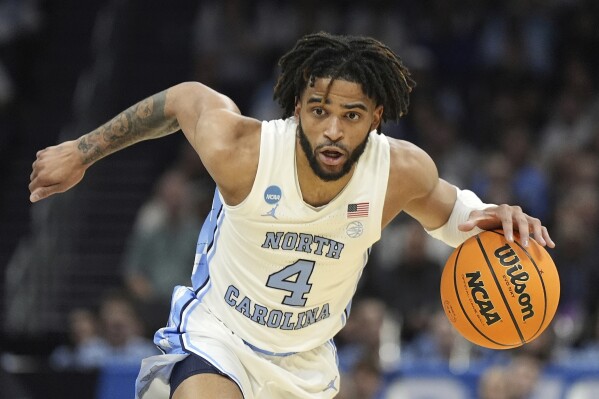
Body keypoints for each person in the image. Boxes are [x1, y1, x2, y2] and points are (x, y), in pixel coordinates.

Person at [28, 32, 555, 399]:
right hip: (222, 335)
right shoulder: (245, 152)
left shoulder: (400, 171)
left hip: (306, 363)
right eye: (319, 110)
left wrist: (493, 216)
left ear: (375, 118)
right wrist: (83, 149)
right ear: (297, 106)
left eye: (350, 116)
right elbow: (184, 101)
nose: (332, 130)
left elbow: (454, 214)